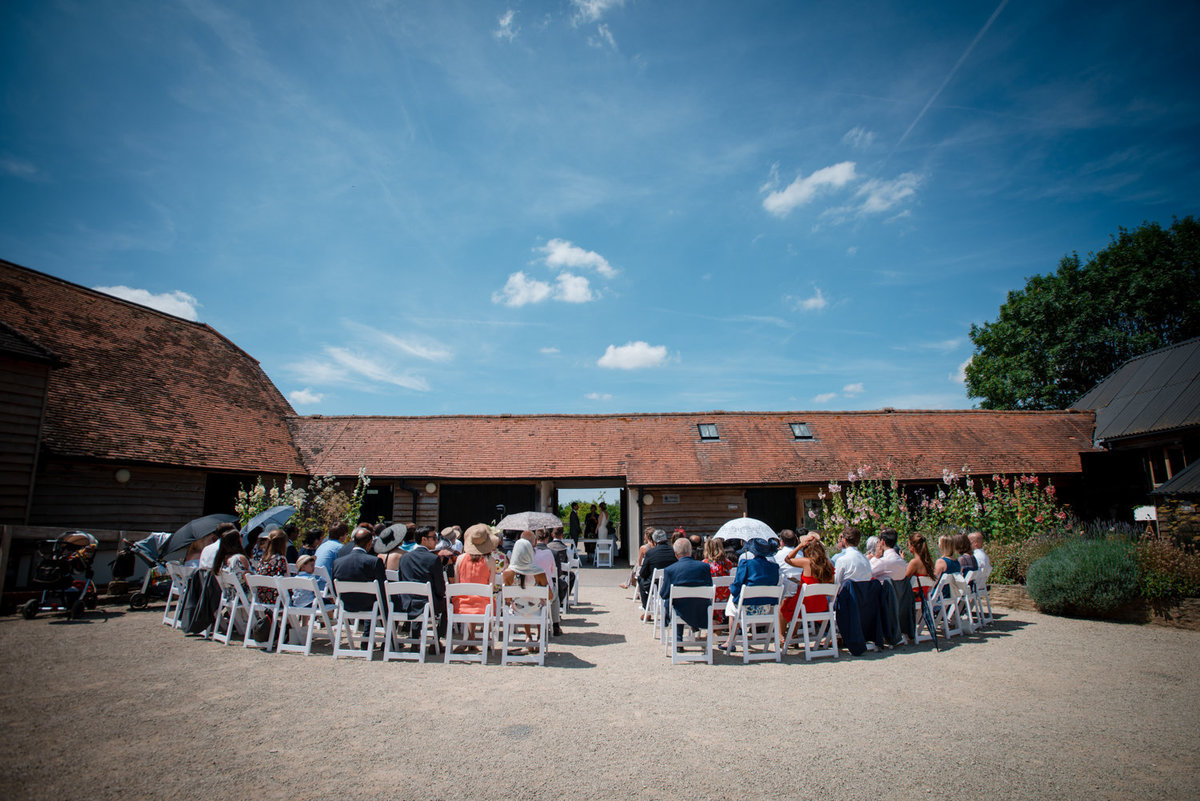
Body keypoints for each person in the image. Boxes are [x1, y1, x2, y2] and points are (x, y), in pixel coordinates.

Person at [725, 538, 781, 650]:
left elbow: (737, 586)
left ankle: (730, 640)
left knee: (732, 603)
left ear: (753, 551)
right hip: (766, 608)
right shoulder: (774, 567)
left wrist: (732, 590)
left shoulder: (746, 563)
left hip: (747, 608)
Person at [451, 523, 500, 649]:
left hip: (461, 605)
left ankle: (470, 637)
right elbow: (492, 586)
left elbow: (456, 585)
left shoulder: (460, 559)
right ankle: (487, 637)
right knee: (488, 600)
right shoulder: (490, 561)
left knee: (468, 598)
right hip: (483, 606)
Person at [658, 538, 713, 640]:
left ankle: (678, 638)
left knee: (675, 603)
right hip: (700, 608)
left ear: (676, 553)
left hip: (681, 608)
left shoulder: (670, 570)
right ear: (690, 550)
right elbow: (709, 586)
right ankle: (693, 625)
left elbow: (664, 594)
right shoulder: (704, 567)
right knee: (685, 602)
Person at [398, 526, 447, 638]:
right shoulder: (433, 559)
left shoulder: (404, 558)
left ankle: (415, 637)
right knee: (448, 604)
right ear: (424, 539)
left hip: (406, 603)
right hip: (427, 603)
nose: (436, 540)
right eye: (434, 537)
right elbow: (440, 587)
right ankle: (437, 640)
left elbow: (401, 580)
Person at [502, 538, 550, 648]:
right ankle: (539, 637)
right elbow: (549, 595)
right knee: (538, 603)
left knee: (523, 603)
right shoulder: (539, 572)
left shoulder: (507, 573)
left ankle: (528, 635)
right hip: (536, 610)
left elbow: (507, 599)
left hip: (517, 610)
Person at [331, 527, 388, 613]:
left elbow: (334, 588)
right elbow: (382, 589)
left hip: (346, 606)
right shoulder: (374, 561)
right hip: (370, 606)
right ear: (369, 543)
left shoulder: (337, 562)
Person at [783, 531, 835, 615]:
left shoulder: (806, 562)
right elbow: (830, 582)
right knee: (793, 606)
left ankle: (788, 629)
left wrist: (799, 546)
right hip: (822, 606)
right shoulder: (827, 564)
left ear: (806, 548)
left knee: (784, 607)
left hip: (806, 604)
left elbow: (787, 559)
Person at [532, 530, 564, 636]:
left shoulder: (530, 553)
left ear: (536, 539)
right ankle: (556, 625)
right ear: (547, 539)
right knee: (555, 597)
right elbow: (556, 572)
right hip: (545, 591)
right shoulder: (551, 553)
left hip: (531, 590)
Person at [774, 529, 805, 635]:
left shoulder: (778, 555)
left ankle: (781, 634)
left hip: (785, 591)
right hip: (801, 591)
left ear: (781, 541)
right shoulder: (801, 554)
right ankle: (794, 632)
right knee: (797, 604)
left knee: (781, 604)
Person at [638, 529, 677, 611]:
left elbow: (643, 573)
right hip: (671, 583)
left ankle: (646, 607)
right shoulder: (674, 551)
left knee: (640, 578)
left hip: (655, 585)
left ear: (654, 540)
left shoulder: (651, 553)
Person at [252, 529, 289, 605]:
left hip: (262, 597)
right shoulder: (280, 559)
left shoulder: (263, 559)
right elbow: (286, 580)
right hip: (276, 599)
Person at [703, 537, 734, 618]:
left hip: (710, 598)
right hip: (726, 598)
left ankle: (712, 622)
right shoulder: (728, 563)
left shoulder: (704, 564)